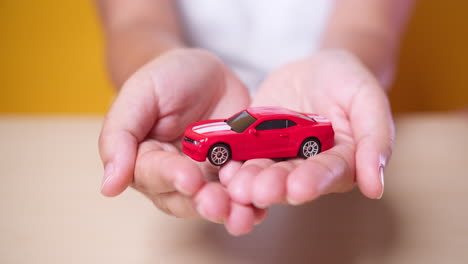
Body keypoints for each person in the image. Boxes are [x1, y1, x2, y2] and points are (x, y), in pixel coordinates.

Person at [96, 0, 415, 236]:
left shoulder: (301, 129)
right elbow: (135, 23)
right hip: (194, 100)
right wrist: (157, 63)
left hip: (324, 101)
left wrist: (350, 63)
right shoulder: (225, 128)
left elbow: (367, 28)